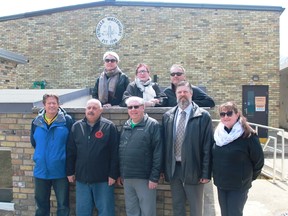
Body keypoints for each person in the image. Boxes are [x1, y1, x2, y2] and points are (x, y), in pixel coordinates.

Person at [162, 81, 214, 216]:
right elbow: (165, 145)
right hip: (174, 170)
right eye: (179, 92)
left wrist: (205, 172)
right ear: (176, 94)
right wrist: (164, 169)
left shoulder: (203, 116)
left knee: (196, 209)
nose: (182, 95)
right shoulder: (168, 116)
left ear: (191, 94)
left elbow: (207, 146)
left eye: (185, 92)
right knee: (178, 207)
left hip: (194, 170)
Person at [66, 99, 119, 216]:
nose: (91, 110)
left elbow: (115, 153)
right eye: (89, 108)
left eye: (94, 108)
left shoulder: (109, 127)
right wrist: (70, 172)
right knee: (83, 212)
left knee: (106, 212)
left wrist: (113, 174)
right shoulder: (76, 127)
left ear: (101, 111)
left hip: (104, 180)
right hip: (82, 180)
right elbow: (71, 152)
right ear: (85, 110)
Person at [212, 101, 264, 216]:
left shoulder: (248, 135)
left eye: (229, 113)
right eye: (222, 114)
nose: (226, 117)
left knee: (234, 213)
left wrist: (248, 178)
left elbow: (258, 161)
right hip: (221, 183)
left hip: (238, 186)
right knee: (224, 213)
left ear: (237, 114)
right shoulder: (217, 134)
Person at [118, 96, 163, 216]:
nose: (133, 109)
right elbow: (121, 151)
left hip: (145, 178)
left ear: (143, 108)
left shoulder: (152, 125)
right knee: (131, 212)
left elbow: (158, 152)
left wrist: (154, 177)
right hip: (127, 178)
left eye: (136, 106)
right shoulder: (126, 125)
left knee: (147, 211)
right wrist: (121, 174)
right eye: (130, 107)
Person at [30, 93, 74, 216]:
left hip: (60, 171)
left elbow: (71, 146)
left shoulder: (67, 121)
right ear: (44, 105)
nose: (52, 105)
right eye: (49, 103)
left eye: (54, 103)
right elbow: (34, 143)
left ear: (58, 105)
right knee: (41, 206)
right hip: (41, 171)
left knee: (63, 206)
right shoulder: (36, 122)